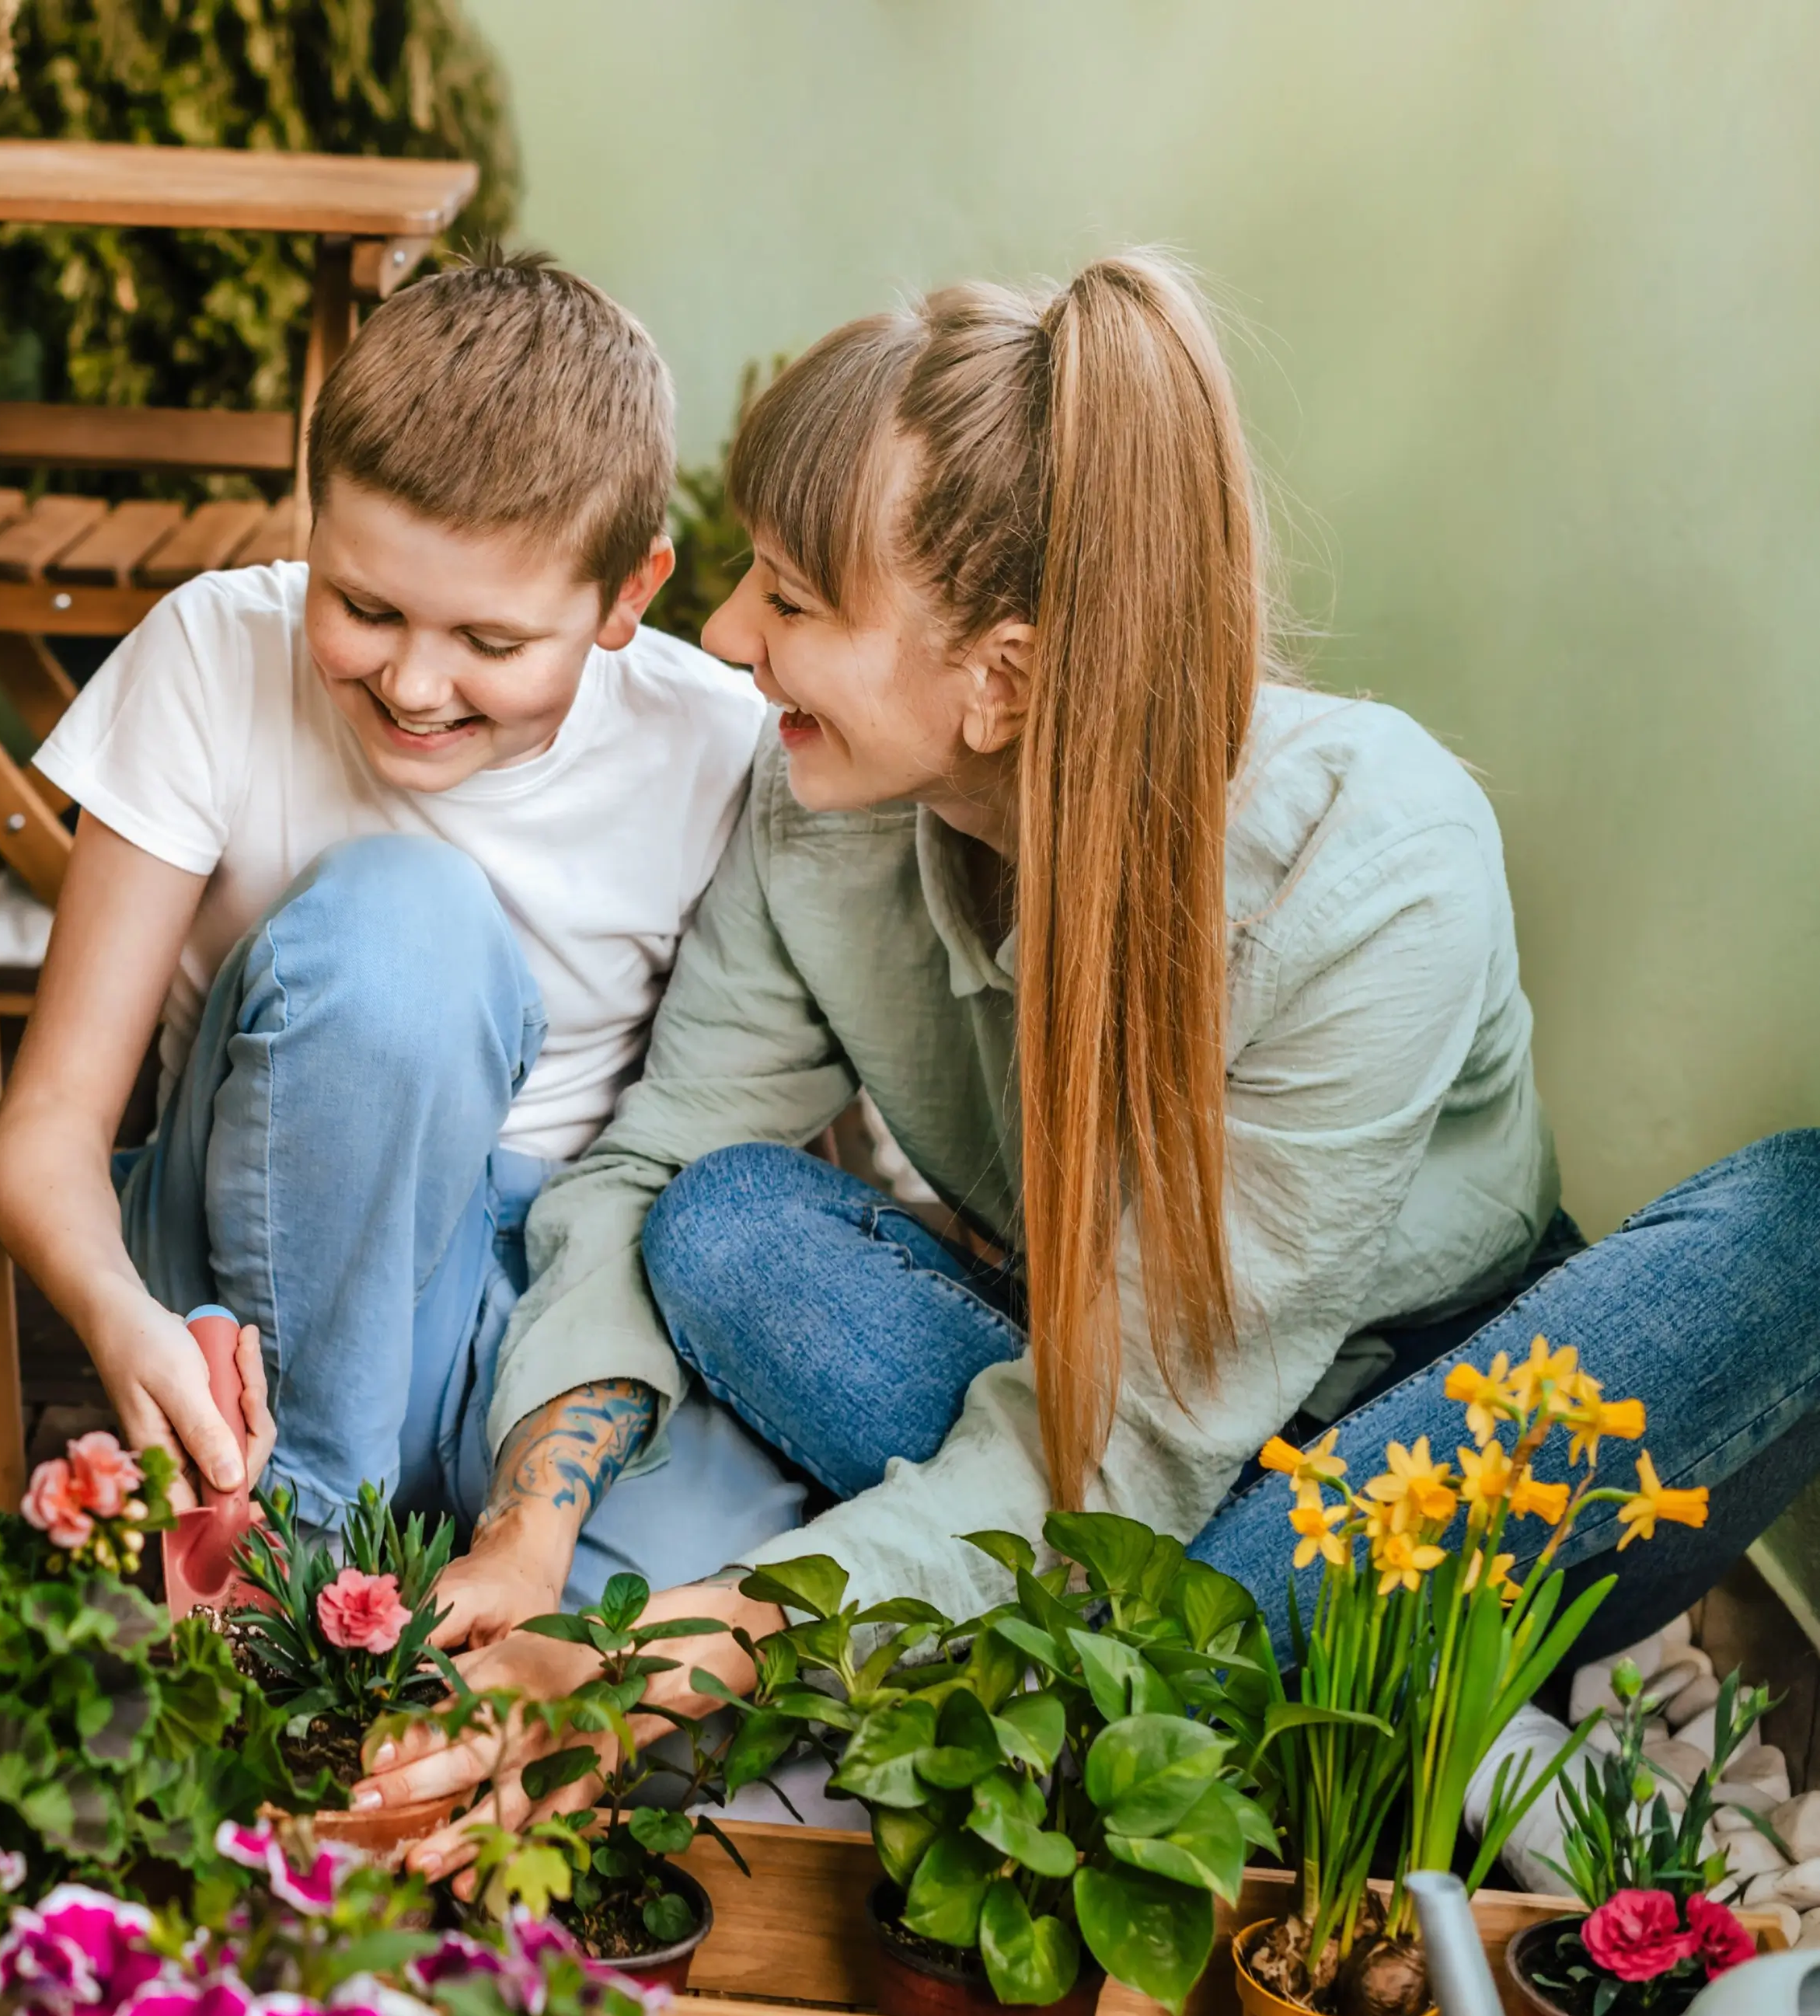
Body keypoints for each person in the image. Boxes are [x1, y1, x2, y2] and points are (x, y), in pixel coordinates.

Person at [357, 250, 1820, 1866]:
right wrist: (532, 1522)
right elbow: (651, 1170)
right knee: (717, 1222)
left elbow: (1132, 1453)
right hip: (1101, 1418)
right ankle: (1292, 1710)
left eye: (789, 595)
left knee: (1804, 1223)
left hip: (1423, 1435)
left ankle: (1213, 1677)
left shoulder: (1371, 856)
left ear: (1007, 676)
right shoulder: (819, 812)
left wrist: (667, 1658)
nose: (725, 631)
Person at [0, 251, 811, 1601]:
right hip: (265, 1255)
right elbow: (49, 1131)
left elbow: (751, 1141)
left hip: (549, 1311)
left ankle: (382, 1609)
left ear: (627, 597)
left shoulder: (718, 744)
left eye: (490, 642)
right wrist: (119, 1319)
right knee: (408, 929)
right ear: (312, 527)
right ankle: (291, 1579)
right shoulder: (212, 654)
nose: (415, 683)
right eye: (362, 606)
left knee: (683, 1639)